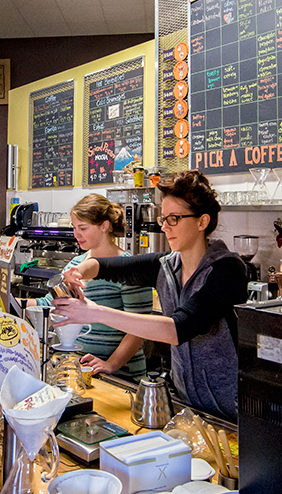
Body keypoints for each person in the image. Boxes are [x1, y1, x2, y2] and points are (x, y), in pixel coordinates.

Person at [52, 170, 248, 420]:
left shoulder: (227, 270)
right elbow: (108, 266)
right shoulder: (165, 266)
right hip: (187, 405)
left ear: (202, 222)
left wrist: (94, 312)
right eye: (163, 218)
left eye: (174, 218)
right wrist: (79, 270)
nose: (165, 227)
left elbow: (177, 329)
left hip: (229, 410)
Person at [36, 194, 152, 381]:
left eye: (83, 228)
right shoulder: (75, 264)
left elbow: (140, 328)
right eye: (74, 228)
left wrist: (111, 364)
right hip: (84, 368)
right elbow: (49, 303)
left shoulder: (129, 268)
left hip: (121, 376)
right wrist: (12, 302)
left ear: (104, 226)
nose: (76, 234)